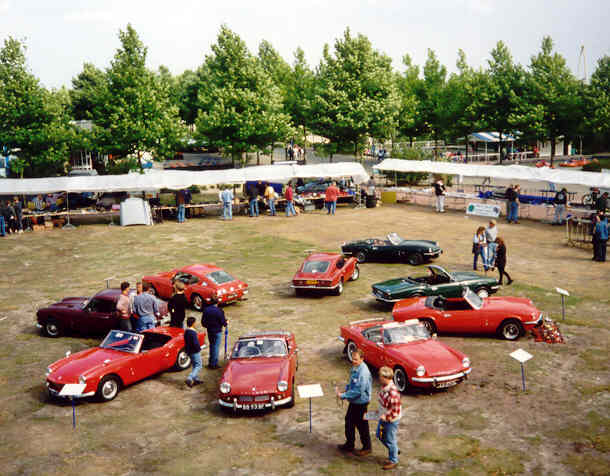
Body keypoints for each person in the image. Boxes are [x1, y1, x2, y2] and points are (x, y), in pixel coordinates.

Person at [335, 347, 372, 456]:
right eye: (352, 358)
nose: (353, 361)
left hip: (361, 403)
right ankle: (349, 445)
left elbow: (358, 391)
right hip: (355, 402)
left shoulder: (363, 372)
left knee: (362, 425)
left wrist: (343, 395)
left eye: (356, 359)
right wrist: (346, 389)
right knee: (349, 422)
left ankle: (367, 447)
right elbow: (352, 383)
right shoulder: (355, 367)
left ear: (362, 359)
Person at [376, 367, 402, 470]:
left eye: (380, 376)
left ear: (386, 378)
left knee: (390, 440)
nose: (379, 378)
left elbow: (395, 411)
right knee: (380, 435)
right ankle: (394, 450)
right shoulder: (384, 386)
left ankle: (393, 460)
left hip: (391, 420)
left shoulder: (393, 393)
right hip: (383, 418)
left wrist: (385, 416)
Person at [200, 297, 227, 369]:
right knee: (216, 347)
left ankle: (211, 362)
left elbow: (203, 322)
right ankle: (214, 364)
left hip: (210, 330)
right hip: (217, 331)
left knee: (212, 346)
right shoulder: (219, 311)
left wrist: (208, 326)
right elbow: (223, 322)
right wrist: (226, 323)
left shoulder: (206, 310)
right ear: (217, 303)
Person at [184, 317, 203, 387]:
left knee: (195, 365)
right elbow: (195, 343)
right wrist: (199, 348)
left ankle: (195, 379)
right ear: (193, 323)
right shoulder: (193, 332)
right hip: (194, 351)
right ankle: (190, 378)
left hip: (189, 351)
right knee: (199, 365)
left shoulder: (186, 331)